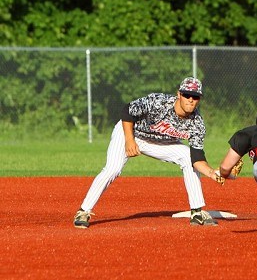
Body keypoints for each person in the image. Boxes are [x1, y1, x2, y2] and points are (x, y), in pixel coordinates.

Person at [74, 77, 221, 228]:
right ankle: (83, 211)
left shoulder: (197, 123)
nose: (190, 99)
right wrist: (129, 140)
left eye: (195, 96)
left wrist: (211, 173)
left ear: (199, 99)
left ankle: (196, 212)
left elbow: (196, 157)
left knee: (187, 156)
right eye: (186, 95)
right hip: (131, 132)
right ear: (179, 94)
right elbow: (127, 110)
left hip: (160, 143)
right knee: (113, 169)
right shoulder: (159, 102)